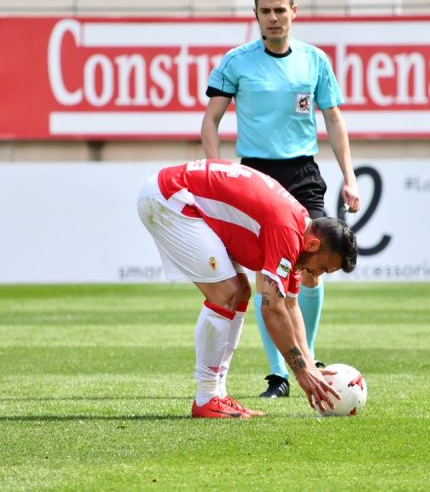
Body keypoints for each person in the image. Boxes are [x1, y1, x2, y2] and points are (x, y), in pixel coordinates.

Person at [201, 0, 361, 399]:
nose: (273, 17)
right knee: (269, 278)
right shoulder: (236, 62)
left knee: (309, 271)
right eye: (265, 11)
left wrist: (349, 176)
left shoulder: (315, 60)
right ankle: (279, 374)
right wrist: (217, 172)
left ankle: (308, 356)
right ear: (255, 15)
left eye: (279, 9)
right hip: (257, 174)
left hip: (303, 174)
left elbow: (334, 120)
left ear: (294, 12)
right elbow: (211, 121)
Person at [137, 159, 357, 418]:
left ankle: (217, 396)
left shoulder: (298, 230)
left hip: (176, 193)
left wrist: (310, 365)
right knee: (226, 293)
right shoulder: (287, 230)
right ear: (313, 245)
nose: (316, 274)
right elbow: (272, 309)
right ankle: (207, 397)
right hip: (169, 197)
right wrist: (300, 371)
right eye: (321, 267)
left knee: (240, 292)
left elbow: (290, 305)